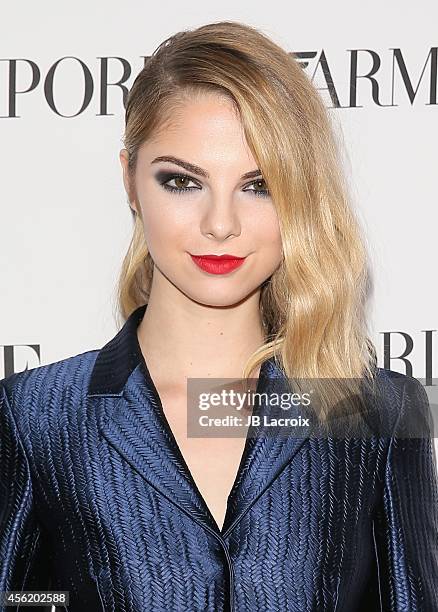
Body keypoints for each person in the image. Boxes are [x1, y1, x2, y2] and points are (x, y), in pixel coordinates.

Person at [1, 20, 437, 612]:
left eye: (259, 186)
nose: (220, 223)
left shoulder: (377, 415)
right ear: (130, 178)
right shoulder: (35, 419)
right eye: (182, 181)